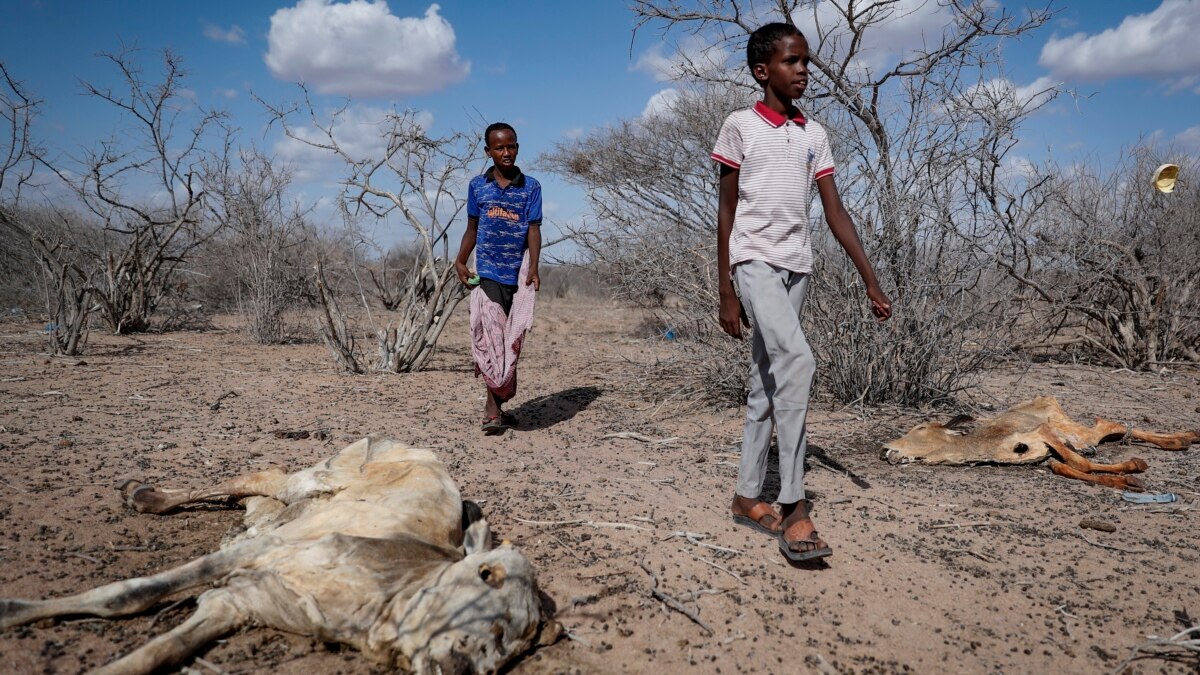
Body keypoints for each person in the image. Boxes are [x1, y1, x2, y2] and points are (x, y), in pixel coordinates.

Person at [712, 23, 892, 561]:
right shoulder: (739, 126)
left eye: (806, 62)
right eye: (793, 62)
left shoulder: (813, 134)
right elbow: (726, 211)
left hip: (797, 267)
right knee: (799, 361)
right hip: (752, 261)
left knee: (767, 382)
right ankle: (793, 504)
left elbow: (834, 210)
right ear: (762, 71)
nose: (804, 71)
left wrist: (869, 277)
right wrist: (726, 288)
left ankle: (747, 495)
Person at [454, 122, 542, 435]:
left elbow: (533, 229)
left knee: (509, 344)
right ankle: (492, 411)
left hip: (515, 276)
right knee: (490, 338)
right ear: (488, 151)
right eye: (500, 147)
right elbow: (472, 227)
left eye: (512, 146)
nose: (507, 153)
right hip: (488, 273)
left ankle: (499, 406)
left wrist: (533, 268)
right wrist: (461, 260)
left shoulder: (530, 187)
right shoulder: (478, 186)